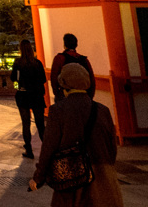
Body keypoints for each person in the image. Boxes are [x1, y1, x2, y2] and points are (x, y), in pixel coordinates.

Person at [29, 63, 124, 206]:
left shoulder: (58, 110)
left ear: (64, 84)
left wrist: (38, 177)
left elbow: (49, 147)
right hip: (104, 179)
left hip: (73, 177)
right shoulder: (103, 110)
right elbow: (112, 148)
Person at [10, 38, 48, 159]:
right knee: (40, 124)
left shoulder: (18, 63)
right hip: (36, 95)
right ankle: (47, 149)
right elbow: (43, 79)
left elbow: (13, 78)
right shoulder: (37, 63)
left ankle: (29, 149)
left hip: (23, 94)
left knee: (25, 123)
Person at [50, 33, 95, 103]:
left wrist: (57, 94)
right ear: (76, 45)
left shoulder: (59, 58)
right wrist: (90, 96)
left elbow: (54, 78)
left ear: (64, 45)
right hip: (84, 95)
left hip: (65, 95)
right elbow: (91, 79)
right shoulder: (84, 59)